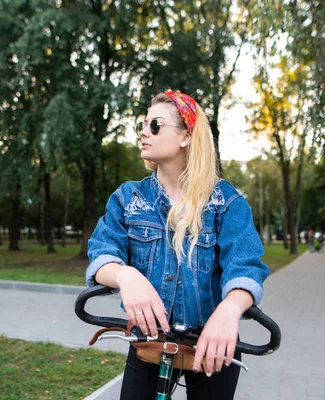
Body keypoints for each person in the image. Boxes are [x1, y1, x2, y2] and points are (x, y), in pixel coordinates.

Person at [86, 91, 270, 400]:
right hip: (148, 342)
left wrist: (230, 309)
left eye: (155, 125)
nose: (144, 132)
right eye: (142, 124)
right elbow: (102, 253)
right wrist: (125, 276)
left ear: (185, 135)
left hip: (213, 346)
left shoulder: (227, 202)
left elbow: (246, 267)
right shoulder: (128, 199)